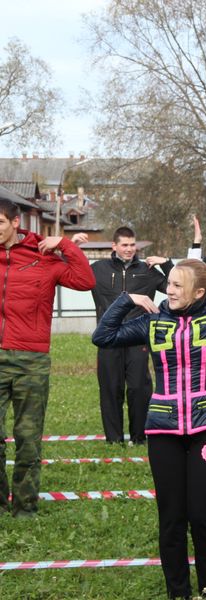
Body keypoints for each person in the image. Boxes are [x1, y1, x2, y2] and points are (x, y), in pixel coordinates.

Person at [92, 259, 206, 600]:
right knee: (171, 516)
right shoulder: (152, 322)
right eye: (168, 283)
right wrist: (127, 299)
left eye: (176, 285)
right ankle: (178, 592)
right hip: (163, 429)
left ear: (198, 292)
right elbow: (103, 336)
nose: (168, 290)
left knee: (202, 512)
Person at [0, 199, 95, 518]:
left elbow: (85, 281)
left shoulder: (43, 256)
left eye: (0, 222)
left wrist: (65, 244)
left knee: (28, 438)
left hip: (31, 359)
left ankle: (25, 507)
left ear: (15, 223)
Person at [90, 226, 173, 445]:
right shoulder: (98, 269)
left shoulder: (148, 270)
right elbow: (72, 275)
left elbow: (177, 287)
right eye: (124, 245)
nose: (129, 249)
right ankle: (114, 439)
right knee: (111, 388)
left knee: (139, 388)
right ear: (114, 246)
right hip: (109, 338)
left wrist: (166, 264)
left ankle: (139, 437)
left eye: (132, 245)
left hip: (138, 337)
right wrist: (72, 248)